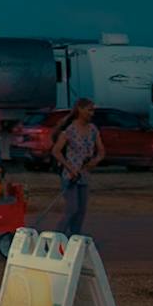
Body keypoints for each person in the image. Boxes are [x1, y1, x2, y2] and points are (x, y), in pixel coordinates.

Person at [51, 98, 105, 237]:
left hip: (84, 174)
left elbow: (101, 151)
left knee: (81, 210)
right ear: (80, 109)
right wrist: (69, 168)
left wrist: (96, 160)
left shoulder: (93, 129)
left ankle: (75, 236)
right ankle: (57, 237)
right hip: (71, 176)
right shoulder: (69, 130)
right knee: (72, 208)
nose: (91, 113)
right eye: (89, 110)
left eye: (93, 110)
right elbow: (56, 151)